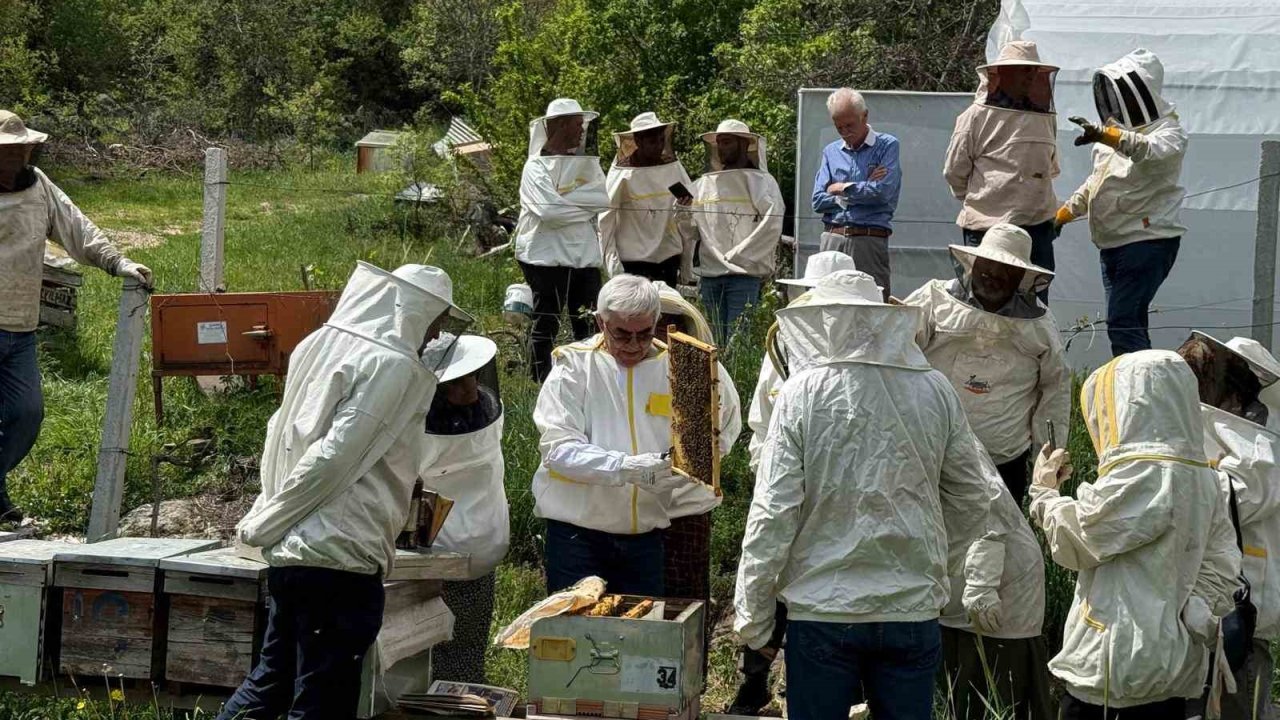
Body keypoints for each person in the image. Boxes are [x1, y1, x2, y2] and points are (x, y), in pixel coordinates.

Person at [736, 269, 1003, 720]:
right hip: (910, 612)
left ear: (825, 321)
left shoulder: (802, 392)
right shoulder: (934, 387)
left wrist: (754, 616)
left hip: (823, 613)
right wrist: (932, 564)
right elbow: (973, 497)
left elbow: (772, 513)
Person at [223, 262, 472, 720]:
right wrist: (269, 520)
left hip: (297, 552)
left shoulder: (317, 345)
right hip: (339, 554)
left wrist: (275, 519)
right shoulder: (391, 365)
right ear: (412, 311)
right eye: (435, 322)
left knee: (271, 685)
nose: (435, 336)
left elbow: (280, 435)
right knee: (322, 702)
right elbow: (336, 457)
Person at [1030, 350, 1240, 719]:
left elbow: (1077, 539)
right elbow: (1223, 564)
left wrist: (1044, 493)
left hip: (1115, 674)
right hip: (1171, 669)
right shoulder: (1206, 478)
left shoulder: (1144, 476)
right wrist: (1191, 612)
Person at [532, 274, 739, 596]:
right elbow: (558, 451)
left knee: (642, 639)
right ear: (601, 323)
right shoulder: (574, 365)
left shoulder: (684, 366)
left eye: (643, 335)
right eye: (622, 334)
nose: (633, 345)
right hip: (578, 535)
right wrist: (628, 467)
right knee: (576, 637)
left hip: (645, 537)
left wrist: (677, 475)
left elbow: (712, 442)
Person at [0, 110, 152, 525]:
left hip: (20, 328)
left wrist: (117, 262)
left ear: (31, 147)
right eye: (6, 151)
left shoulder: (39, 188)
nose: (15, 157)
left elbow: (76, 227)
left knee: (27, 415)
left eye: (21, 149)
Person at [732, 251, 857, 717]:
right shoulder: (781, 347)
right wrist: (764, 470)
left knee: (816, 588)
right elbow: (760, 421)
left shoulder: (861, 359)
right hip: (779, 486)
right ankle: (754, 682)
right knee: (765, 579)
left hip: (832, 497)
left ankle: (818, 688)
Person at [903, 224, 1069, 506]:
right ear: (973, 264)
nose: (994, 276)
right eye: (988, 267)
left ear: (1021, 277)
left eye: (1005, 270)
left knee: (1002, 542)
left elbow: (1055, 391)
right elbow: (896, 354)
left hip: (1003, 461)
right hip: (930, 452)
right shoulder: (933, 300)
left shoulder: (1040, 326)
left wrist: (1047, 457)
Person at [1054, 49, 1187, 356]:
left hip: (1147, 242)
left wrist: (1109, 136)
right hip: (1114, 245)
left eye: (1123, 94)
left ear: (1142, 92)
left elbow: (1147, 151)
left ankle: (1133, 389)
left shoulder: (1169, 133)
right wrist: (1063, 214)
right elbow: (1098, 183)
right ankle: (1142, 387)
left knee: (1122, 321)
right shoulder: (1113, 138)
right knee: (1129, 323)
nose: (1117, 102)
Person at [1177, 332, 1280, 720]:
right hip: (1208, 609)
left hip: (1244, 613)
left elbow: (1228, 500)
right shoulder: (1220, 431)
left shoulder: (1260, 448)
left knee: (1241, 707)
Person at [418, 334, 509, 685]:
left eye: (472, 376)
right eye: (456, 382)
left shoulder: (484, 411)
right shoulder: (435, 423)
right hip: (442, 553)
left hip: (473, 547)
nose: (469, 388)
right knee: (427, 651)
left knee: (464, 649)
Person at [944, 41, 1060, 301]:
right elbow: (954, 172)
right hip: (987, 228)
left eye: (1033, 72)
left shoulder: (1046, 117)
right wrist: (985, 200)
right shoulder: (974, 117)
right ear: (1003, 73)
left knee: (1033, 304)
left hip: (1036, 230)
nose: (1029, 77)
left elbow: (1049, 167)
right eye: (1023, 71)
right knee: (983, 302)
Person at [650, 280, 741, 603]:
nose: (661, 331)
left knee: (683, 612)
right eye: (654, 323)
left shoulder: (710, 372)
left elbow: (724, 437)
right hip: (622, 516)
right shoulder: (615, 371)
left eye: (668, 323)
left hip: (685, 513)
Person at [938, 467, 1053, 720]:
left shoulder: (938, 427)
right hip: (957, 582)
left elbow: (988, 499)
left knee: (998, 694)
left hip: (999, 580)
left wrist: (982, 582)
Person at [514, 98, 610, 382]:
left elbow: (602, 199)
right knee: (546, 323)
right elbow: (547, 211)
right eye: (576, 124)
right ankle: (541, 381)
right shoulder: (535, 168)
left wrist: (563, 200)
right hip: (545, 258)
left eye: (583, 125)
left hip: (585, 258)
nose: (582, 130)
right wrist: (581, 207)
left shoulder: (588, 166)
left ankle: (590, 379)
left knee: (589, 323)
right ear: (559, 125)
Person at [685, 119, 785, 344]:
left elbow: (772, 224)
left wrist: (740, 254)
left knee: (738, 342)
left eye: (727, 142)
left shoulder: (762, 182)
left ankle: (736, 381)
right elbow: (691, 230)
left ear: (743, 144)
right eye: (719, 143)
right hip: (710, 276)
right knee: (710, 342)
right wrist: (682, 209)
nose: (721, 148)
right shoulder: (703, 184)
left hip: (743, 276)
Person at [812, 89, 902, 298]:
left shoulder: (887, 146)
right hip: (832, 238)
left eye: (849, 125)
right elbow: (817, 200)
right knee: (825, 306)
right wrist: (862, 187)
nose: (844, 132)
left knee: (871, 308)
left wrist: (840, 187)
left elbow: (883, 193)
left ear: (865, 116)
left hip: (868, 240)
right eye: (838, 127)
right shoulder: (830, 151)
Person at [600, 113, 694, 286]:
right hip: (633, 263)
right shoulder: (622, 175)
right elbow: (605, 221)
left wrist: (685, 206)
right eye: (652, 142)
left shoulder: (673, 168)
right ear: (638, 141)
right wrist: (613, 265)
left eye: (661, 140)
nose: (658, 146)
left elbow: (690, 216)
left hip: (669, 259)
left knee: (666, 312)